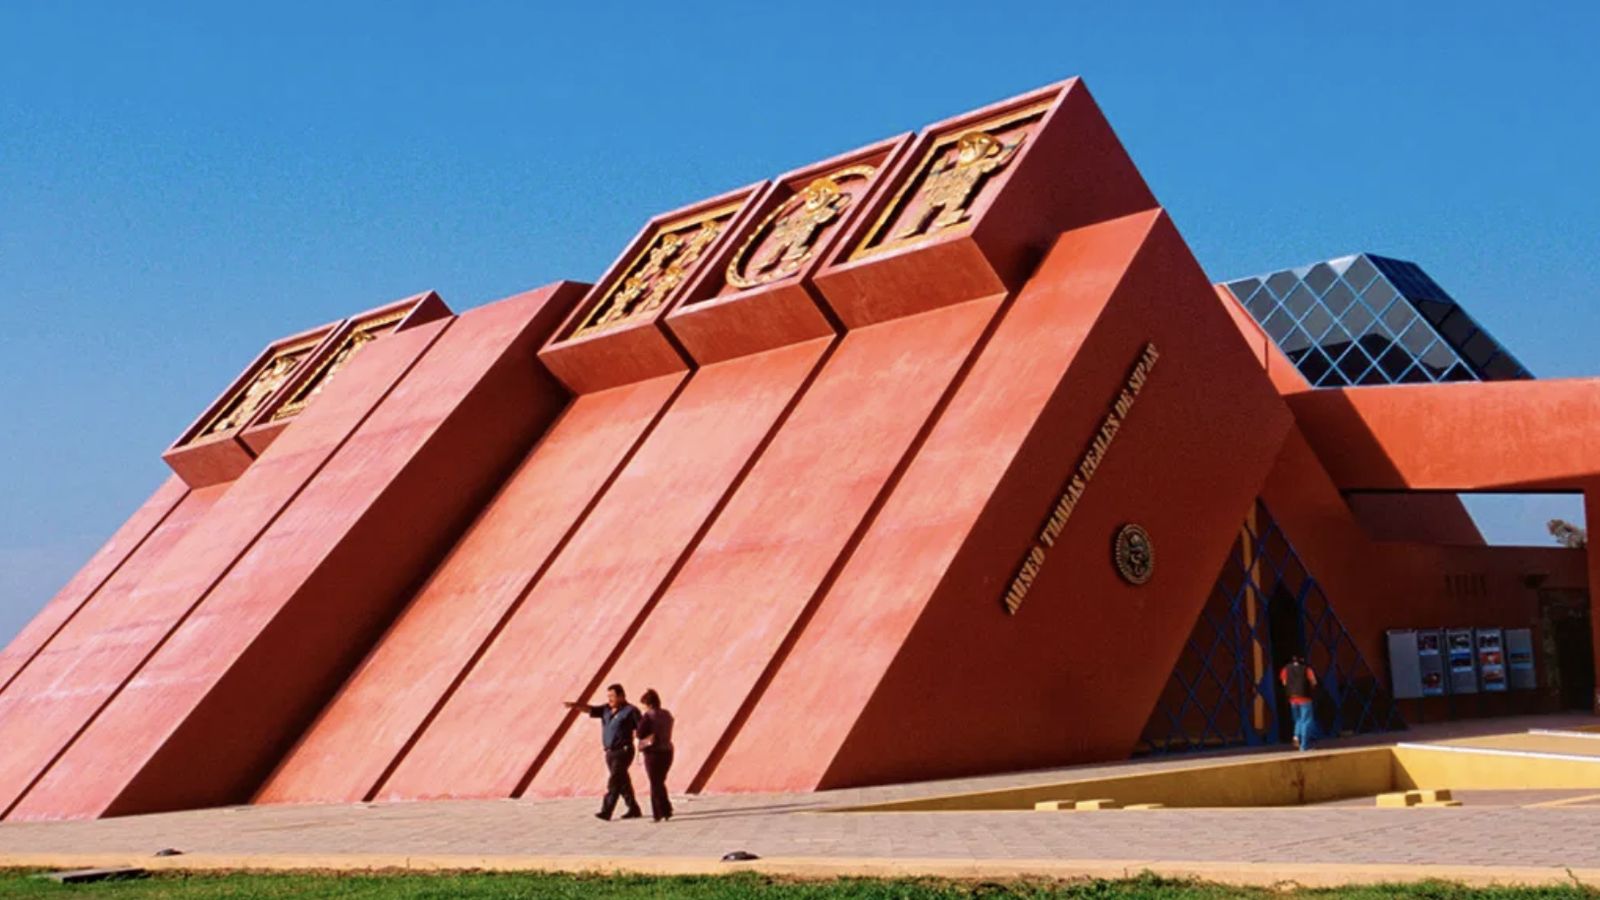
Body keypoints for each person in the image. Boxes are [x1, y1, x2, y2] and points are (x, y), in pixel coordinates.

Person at [564, 684, 642, 820]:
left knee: (614, 781)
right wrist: (575, 706)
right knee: (622, 781)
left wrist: (639, 740)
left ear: (621, 696)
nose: (610, 699)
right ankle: (634, 808)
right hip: (609, 752)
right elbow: (590, 709)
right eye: (608, 696)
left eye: (612, 696)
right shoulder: (606, 709)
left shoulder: (631, 711)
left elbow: (641, 728)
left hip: (624, 751)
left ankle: (606, 811)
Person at [637, 689, 675, 822]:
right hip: (668, 750)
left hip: (654, 752)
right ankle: (666, 809)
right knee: (660, 781)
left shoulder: (648, 716)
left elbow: (640, 733)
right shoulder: (667, 714)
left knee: (655, 783)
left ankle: (659, 813)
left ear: (648, 704)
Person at [1278, 655, 1319, 751]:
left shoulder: (1285, 669)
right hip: (1305, 698)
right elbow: (1314, 682)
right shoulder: (1307, 669)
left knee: (1297, 720)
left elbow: (1284, 683)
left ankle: (1296, 736)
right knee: (1306, 721)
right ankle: (1303, 746)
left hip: (1292, 698)